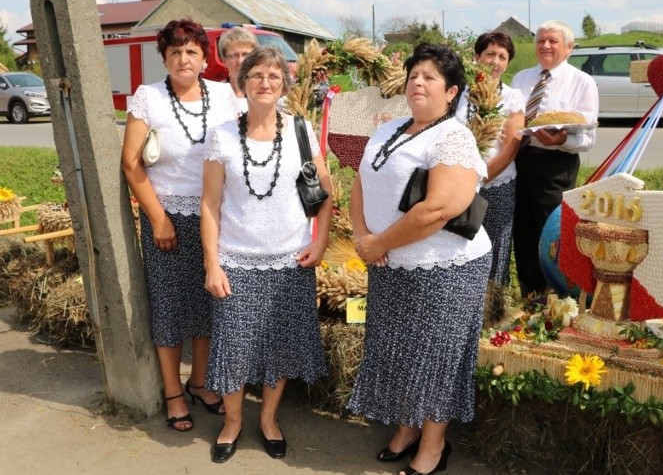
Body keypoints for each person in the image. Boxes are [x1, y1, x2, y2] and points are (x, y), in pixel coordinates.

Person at [348, 43, 493, 475]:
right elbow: (361, 180)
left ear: (451, 92)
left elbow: (439, 209)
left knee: (435, 355)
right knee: (398, 350)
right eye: (414, 74)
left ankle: (433, 447)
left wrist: (380, 243)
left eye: (430, 77)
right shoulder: (390, 127)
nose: (418, 82)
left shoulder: (454, 137)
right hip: (390, 263)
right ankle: (408, 427)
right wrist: (361, 235)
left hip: (446, 267)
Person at [201, 45, 331, 464]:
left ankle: (269, 420)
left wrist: (321, 240)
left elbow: (324, 189)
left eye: (274, 76)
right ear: (242, 81)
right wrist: (212, 263)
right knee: (233, 346)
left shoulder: (300, 130)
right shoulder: (221, 134)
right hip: (236, 261)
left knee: (279, 346)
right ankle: (234, 421)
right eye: (257, 74)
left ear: (283, 84)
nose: (265, 82)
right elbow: (209, 204)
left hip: (290, 261)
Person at [121, 18, 241, 432]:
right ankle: (174, 392)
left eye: (191, 51)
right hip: (168, 218)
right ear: (164, 58)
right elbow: (131, 163)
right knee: (171, 307)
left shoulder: (227, 95)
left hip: (216, 218)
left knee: (209, 302)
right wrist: (158, 219)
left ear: (206, 58)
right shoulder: (148, 97)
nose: (183, 59)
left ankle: (202, 382)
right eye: (175, 52)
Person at [510, 20, 598, 298]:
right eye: (540, 41)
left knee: (551, 232)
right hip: (519, 161)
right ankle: (531, 294)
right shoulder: (521, 78)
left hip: (555, 166)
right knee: (522, 231)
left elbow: (588, 137)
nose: (545, 46)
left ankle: (560, 295)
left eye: (553, 41)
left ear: (569, 48)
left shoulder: (582, 82)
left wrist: (563, 140)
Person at [454, 32, 525, 321]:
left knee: (494, 249)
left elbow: (509, 148)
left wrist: (479, 180)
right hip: (457, 185)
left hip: (495, 184)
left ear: (507, 64)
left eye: (502, 57)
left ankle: (491, 317)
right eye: (489, 54)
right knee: (459, 246)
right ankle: (463, 311)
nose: (494, 61)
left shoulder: (512, 97)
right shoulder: (458, 92)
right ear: (477, 57)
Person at [217, 26, 259, 106]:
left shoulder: (265, 94)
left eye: (246, 54)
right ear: (224, 61)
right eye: (233, 55)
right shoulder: (215, 95)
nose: (240, 61)